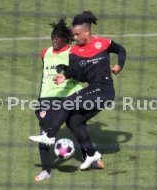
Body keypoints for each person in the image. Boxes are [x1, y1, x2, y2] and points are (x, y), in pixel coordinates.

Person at [30, 10, 126, 170]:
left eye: (76, 35)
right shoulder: (74, 51)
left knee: (68, 102)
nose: (74, 38)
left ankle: (50, 135)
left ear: (86, 32)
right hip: (94, 89)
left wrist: (119, 65)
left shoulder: (103, 43)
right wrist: (65, 76)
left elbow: (121, 50)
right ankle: (91, 154)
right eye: (73, 35)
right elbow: (79, 75)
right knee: (74, 122)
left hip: (105, 90)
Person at [29, 17, 104, 182]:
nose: (54, 40)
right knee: (44, 132)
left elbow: (82, 76)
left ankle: (91, 158)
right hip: (48, 98)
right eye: (52, 37)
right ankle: (46, 171)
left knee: (77, 126)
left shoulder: (74, 52)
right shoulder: (45, 53)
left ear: (65, 39)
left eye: (58, 38)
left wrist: (68, 71)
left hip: (70, 95)